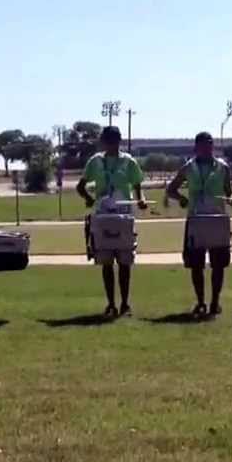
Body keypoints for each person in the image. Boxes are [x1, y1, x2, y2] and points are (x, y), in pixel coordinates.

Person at [76, 126, 148, 318]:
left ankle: (125, 304)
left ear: (119, 141)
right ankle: (111, 304)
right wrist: (89, 199)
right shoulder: (95, 161)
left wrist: (141, 200)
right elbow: (80, 186)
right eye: (107, 141)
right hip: (103, 215)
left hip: (124, 215)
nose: (111, 144)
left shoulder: (128, 161)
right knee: (106, 262)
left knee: (125, 261)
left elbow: (137, 185)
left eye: (114, 140)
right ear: (103, 142)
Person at [166, 132, 232, 318]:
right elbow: (171, 189)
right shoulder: (188, 167)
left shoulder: (222, 167)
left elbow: (229, 192)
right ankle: (200, 302)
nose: (207, 148)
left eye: (210, 144)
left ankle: (215, 302)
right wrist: (182, 199)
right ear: (196, 147)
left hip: (217, 218)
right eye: (203, 145)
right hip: (196, 219)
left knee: (219, 264)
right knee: (196, 264)